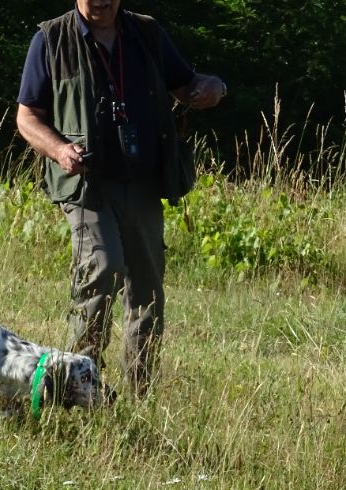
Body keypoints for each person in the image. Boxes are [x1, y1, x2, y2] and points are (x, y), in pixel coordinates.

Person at [16, 0, 226, 396]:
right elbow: (27, 117)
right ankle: (77, 387)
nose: (101, 1)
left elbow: (187, 84)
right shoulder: (51, 39)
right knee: (103, 266)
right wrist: (60, 150)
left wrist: (213, 88)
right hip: (86, 184)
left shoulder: (146, 33)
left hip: (144, 181)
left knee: (147, 289)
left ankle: (139, 393)